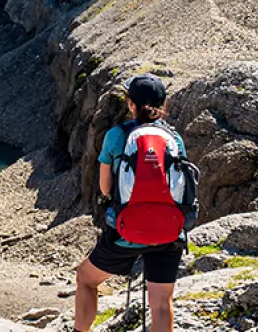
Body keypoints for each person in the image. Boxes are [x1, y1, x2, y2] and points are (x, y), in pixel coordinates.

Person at [73, 75, 189, 332]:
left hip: (127, 230)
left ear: (130, 104)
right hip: (168, 233)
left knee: (86, 279)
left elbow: (105, 188)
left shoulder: (116, 135)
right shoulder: (175, 139)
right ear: (162, 104)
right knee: (160, 303)